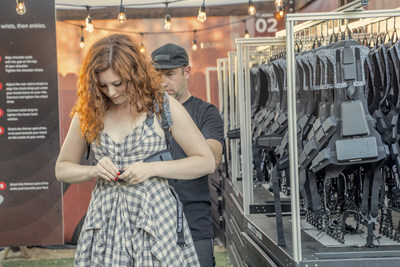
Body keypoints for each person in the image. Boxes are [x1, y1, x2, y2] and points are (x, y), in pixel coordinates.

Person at [55, 34, 215, 266]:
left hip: (156, 219)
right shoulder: (89, 112)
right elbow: (62, 169)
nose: (111, 92)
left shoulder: (162, 105)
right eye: (103, 85)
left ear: (135, 74)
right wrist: (94, 170)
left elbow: (205, 161)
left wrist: (151, 168)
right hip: (105, 222)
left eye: (118, 83)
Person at [151, 43, 224, 267]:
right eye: (157, 75)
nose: (163, 82)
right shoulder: (145, 114)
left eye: (170, 74)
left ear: (187, 72)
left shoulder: (205, 112)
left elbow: (212, 158)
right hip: (153, 219)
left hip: (193, 217)